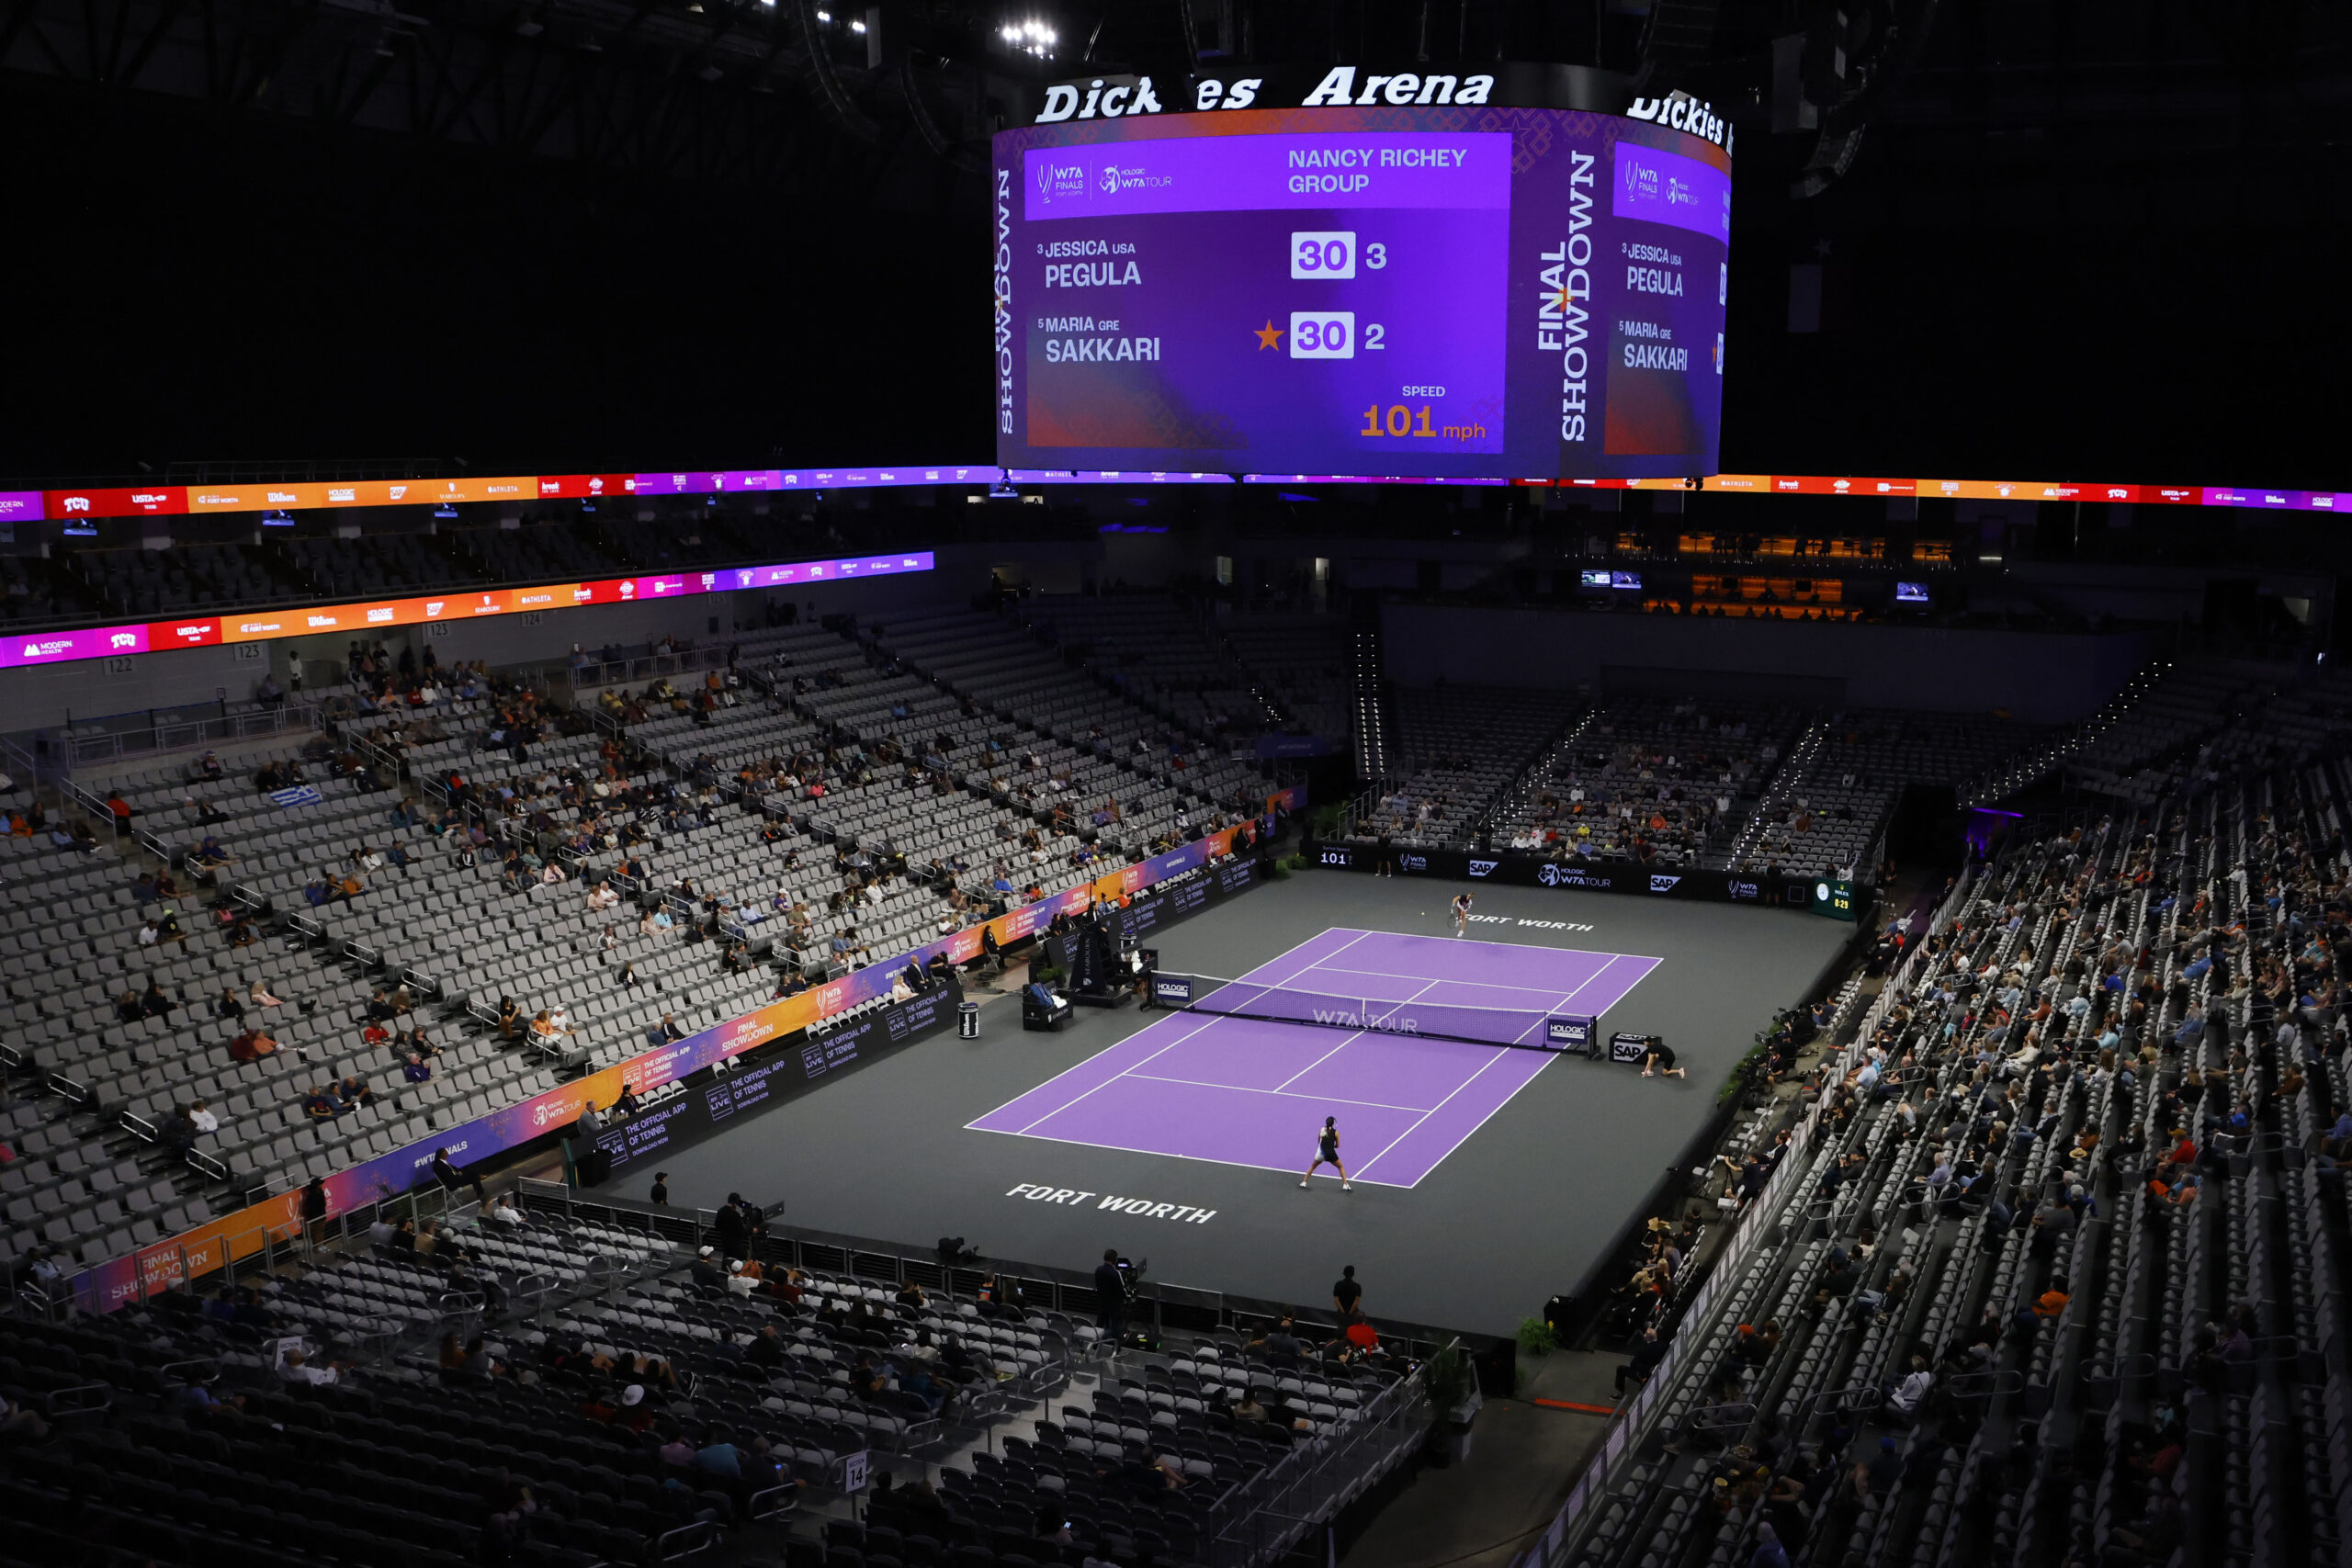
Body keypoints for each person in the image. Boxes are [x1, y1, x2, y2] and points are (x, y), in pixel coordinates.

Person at [1301, 1115, 1351, 1190]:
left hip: (1321, 1153)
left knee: (1313, 1167)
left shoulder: (1321, 1129)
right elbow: (1337, 1145)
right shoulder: (1336, 1133)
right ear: (1333, 1124)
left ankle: (1304, 1182)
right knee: (1340, 1167)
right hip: (1330, 1154)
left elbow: (1319, 1141)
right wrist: (1331, 1146)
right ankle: (1345, 1184)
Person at [1094, 1248, 1128, 1345]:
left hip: (1102, 1303)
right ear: (1114, 1260)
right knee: (1116, 1328)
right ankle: (1116, 1347)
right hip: (1114, 1306)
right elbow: (1122, 1290)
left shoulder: (1098, 1270)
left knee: (1099, 1325)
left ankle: (1095, 1345)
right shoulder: (1115, 1273)